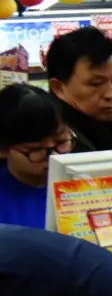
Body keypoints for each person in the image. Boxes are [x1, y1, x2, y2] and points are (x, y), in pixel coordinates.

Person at [43, 26, 112, 151]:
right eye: (96, 83)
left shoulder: (110, 131)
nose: (111, 94)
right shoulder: (50, 145)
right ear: (58, 88)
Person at [0, 85, 67, 228]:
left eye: (61, 142)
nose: (52, 156)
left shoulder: (83, 183)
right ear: (3, 149)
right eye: (36, 149)